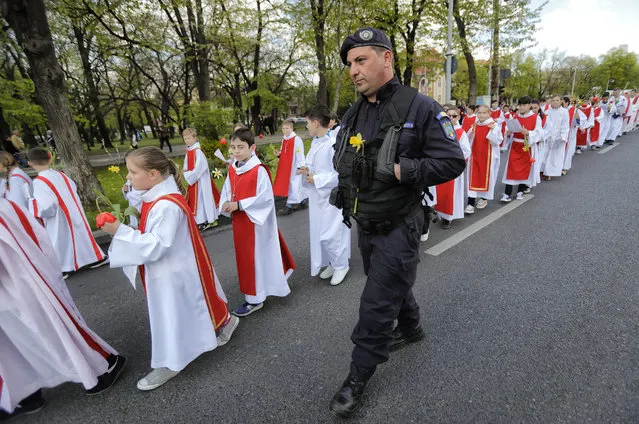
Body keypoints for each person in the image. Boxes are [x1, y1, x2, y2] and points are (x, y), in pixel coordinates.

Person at [329, 27, 465, 418]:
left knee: (375, 302)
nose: (354, 71)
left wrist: (403, 170)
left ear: (386, 58)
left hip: (399, 224)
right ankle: (411, 328)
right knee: (389, 285)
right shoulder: (355, 112)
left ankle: (357, 377)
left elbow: (453, 160)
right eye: (350, 64)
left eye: (361, 60)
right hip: (366, 223)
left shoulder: (419, 107)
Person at [102, 147, 238, 391]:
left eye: (132, 172)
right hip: (172, 268)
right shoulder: (159, 198)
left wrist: (120, 232)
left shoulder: (166, 206)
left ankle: (171, 361)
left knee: (171, 314)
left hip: (170, 272)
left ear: (153, 174)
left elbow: (157, 245)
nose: (128, 177)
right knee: (183, 310)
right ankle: (216, 328)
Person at [0, 198, 126, 421]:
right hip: (16, 281)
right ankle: (24, 391)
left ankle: (98, 367)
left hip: (16, 282)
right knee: (13, 343)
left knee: (43, 327)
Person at [219, 128, 295, 317]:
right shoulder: (233, 168)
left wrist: (240, 204)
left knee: (256, 257)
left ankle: (255, 298)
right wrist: (226, 204)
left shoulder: (258, 170)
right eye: (233, 147)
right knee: (247, 259)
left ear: (252, 147)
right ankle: (258, 291)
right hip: (240, 222)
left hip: (256, 224)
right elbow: (227, 190)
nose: (236, 151)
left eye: (241, 147)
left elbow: (266, 199)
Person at [25, 147, 109, 278]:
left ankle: (64, 267)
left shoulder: (39, 182)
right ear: (49, 157)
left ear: (30, 163)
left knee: (59, 240)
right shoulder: (60, 174)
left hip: (59, 218)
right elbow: (73, 188)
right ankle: (93, 258)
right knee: (80, 237)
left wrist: (32, 203)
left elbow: (47, 206)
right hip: (74, 211)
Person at [300, 105, 350, 286]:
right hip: (317, 198)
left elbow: (340, 174)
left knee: (332, 233)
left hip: (331, 197)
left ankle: (341, 265)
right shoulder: (316, 143)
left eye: (307, 123)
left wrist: (317, 178)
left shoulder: (332, 145)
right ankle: (332, 262)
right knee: (321, 233)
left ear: (315, 123)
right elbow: (315, 165)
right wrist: (307, 169)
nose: (306, 127)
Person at [500, 96, 543, 202]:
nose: (522, 107)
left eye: (524, 105)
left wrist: (528, 133)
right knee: (511, 169)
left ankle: (520, 190)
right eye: (520, 105)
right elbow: (508, 128)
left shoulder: (535, 117)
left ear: (529, 105)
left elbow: (540, 133)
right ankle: (507, 193)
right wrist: (508, 132)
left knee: (524, 169)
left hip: (527, 144)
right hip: (515, 144)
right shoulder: (515, 116)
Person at [434, 108, 471, 229]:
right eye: (448, 115)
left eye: (454, 116)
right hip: (439, 164)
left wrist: (453, 158)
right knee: (438, 190)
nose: (451, 118)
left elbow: (466, 151)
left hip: (452, 165)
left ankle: (448, 217)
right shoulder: (439, 129)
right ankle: (437, 212)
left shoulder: (461, 132)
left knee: (451, 192)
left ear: (459, 117)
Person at [465, 104, 502, 214]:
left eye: (484, 113)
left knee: (486, 177)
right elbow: (468, 139)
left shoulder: (494, 125)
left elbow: (497, 141)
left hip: (489, 157)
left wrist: (491, 131)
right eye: (479, 113)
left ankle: (484, 198)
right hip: (475, 156)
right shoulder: (475, 125)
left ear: (489, 113)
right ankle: (470, 203)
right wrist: (470, 132)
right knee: (473, 177)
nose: (481, 115)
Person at [182, 128, 219, 231]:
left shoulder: (198, 152)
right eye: (185, 139)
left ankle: (209, 219)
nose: (187, 141)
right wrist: (185, 171)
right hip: (194, 181)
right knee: (196, 201)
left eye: (189, 138)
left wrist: (189, 175)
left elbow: (200, 168)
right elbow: (186, 164)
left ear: (194, 138)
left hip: (201, 181)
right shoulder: (189, 151)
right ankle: (200, 220)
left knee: (202, 200)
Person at [273, 119, 308, 216]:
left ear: (291, 128)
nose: (285, 130)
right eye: (283, 129)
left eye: (287, 128)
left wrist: (301, 167)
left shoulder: (297, 139)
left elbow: (300, 154)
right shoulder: (284, 139)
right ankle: (303, 201)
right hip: (286, 166)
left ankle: (289, 206)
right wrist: (279, 154)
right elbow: (284, 151)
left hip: (294, 166)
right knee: (294, 185)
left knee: (294, 185)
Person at [541, 95, 569, 180]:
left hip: (558, 137)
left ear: (561, 101)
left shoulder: (564, 112)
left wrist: (563, 136)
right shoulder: (547, 111)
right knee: (544, 154)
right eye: (553, 100)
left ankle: (549, 173)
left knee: (554, 155)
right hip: (547, 136)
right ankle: (543, 170)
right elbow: (544, 124)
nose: (554, 102)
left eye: (557, 100)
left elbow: (565, 125)